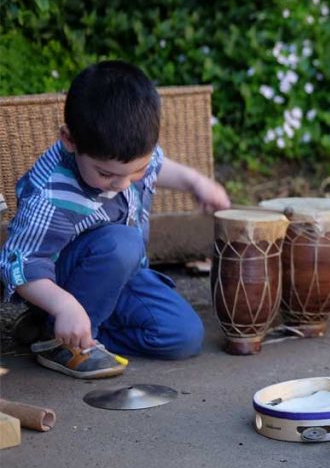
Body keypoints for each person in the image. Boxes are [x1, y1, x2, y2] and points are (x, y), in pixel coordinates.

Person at [1, 61, 231, 379]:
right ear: (70, 140)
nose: (122, 184)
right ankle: (63, 335)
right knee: (122, 243)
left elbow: (158, 167)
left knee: (184, 337)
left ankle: (58, 334)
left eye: (136, 171)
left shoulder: (125, 150)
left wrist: (196, 182)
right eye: (106, 173)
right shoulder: (51, 194)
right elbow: (21, 265)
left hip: (124, 276)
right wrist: (64, 306)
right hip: (62, 284)